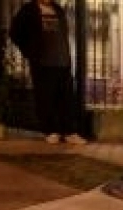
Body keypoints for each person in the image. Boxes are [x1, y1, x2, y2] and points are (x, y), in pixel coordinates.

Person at [9, 0, 87, 145]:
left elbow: (63, 34)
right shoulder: (28, 10)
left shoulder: (58, 10)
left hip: (62, 62)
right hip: (42, 63)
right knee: (46, 98)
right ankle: (51, 131)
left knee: (67, 98)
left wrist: (67, 57)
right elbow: (14, 33)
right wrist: (29, 52)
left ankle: (70, 131)